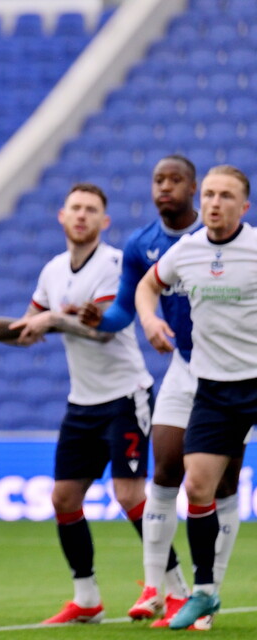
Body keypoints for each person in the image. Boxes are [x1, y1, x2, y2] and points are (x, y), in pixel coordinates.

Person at [79, 156, 241, 629]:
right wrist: (101, 319)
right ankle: (157, 588)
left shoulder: (224, 244)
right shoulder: (144, 245)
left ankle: (210, 593)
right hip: (186, 367)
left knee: (219, 484)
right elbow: (127, 309)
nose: (165, 187)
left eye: (176, 181)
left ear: (194, 188)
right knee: (167, 469)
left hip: (236, 373)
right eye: (158, 180)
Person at [0, 183, 156, 624]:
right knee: (64, 498)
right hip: (82, 401)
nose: (82, 216)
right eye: (76, 208)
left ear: (104, 221)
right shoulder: (52, 270)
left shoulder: (113, 264)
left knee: (128, 495)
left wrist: (51, 319)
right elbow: (28, 325)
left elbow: (103, 329)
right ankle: (87, 599)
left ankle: (167, 587)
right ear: (62, 217)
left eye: (92, 210)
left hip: (126, 395)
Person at [134, 165, 256, 630]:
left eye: (225, 196)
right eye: (208, 194)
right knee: (198, 487)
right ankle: (204, 593)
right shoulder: (187, 251)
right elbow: (148, 285)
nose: (214, 202)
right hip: (214, 389)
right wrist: (149, 319)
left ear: (243, 207)